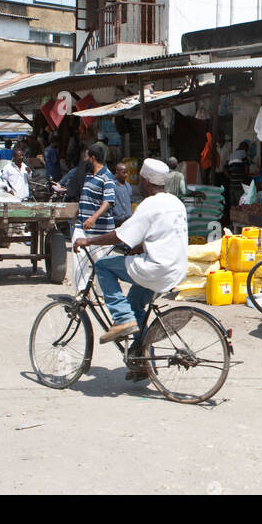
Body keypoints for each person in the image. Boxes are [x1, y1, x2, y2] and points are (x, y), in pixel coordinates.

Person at [75, 159, 189, 381]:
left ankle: (122, 318)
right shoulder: (175, 202)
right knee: (135, 302)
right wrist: (138, 247)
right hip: (176, 269)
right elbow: (161, 234)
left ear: (145, 182)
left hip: (156, 269)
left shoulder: (149, 204)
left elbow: (120, 235)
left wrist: (89, 242)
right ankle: (142, 360)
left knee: (103, 266)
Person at [111, 161, 132, 226]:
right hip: (116, 221)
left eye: (127, 172)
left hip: (127, 221)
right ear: (117, 172)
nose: (126, 175)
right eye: (123, 173)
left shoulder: (128, 186)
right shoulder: (112, 185)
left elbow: (130, 201)